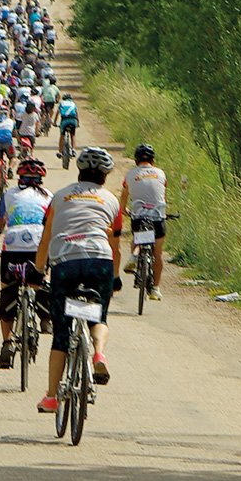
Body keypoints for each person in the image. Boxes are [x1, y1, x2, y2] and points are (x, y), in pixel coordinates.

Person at [33, 147, 121, 412]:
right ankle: (98, 354)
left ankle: (51, 398)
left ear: (79, 171)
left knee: (61, 335)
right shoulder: (112, 200)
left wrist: (38, 272)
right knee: (99, 317)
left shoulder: (59, 197)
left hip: (66, 262)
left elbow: (46, 240)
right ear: (105, 175)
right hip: (100, 260)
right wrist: (114, 278)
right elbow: (115, 246)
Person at [0, 155, 53, 366]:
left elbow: (0, 223)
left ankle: (6, 343)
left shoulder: (8, 195)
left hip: (12, 245)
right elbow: (53, 226)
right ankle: (45, 317)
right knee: (44, 277)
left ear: (20, 177)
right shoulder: (49, 196)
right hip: (39, 244)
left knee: (6, 291)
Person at [119, 142, 168, 301]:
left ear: (136, 159)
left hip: (139, 215)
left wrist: (124, 210)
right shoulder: (160, 173)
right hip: (158, 215)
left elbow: (124, 198)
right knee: (158, 253)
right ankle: (155, 288)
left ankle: (135, 254)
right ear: (153, 160)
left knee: (138, 238)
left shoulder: (130, 175)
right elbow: (161, 194)